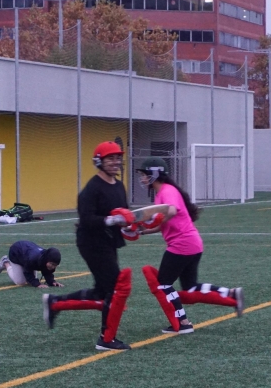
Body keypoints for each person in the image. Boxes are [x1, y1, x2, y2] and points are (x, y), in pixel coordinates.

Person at [134, 157, 244, 334]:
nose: (143, 178)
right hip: (193, 243)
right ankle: (230, 292)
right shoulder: (164, 192)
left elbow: (170, 211)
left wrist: (149, 219)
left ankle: (183, 322)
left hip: (182, 243)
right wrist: (142, 231)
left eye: (145, 174)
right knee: (191, 286)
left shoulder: (166, 191)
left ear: (155, 174)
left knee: (163, 284)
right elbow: (163, 223)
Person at [42, 141, 135, 351]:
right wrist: (110, 221)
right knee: (115, 287)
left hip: (109, 242)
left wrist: (131, 227)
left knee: (102, 292)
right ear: (98, 161)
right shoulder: (92, 189)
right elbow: (86, 219)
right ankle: (106, 339)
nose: (115, 162)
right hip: (92, 243)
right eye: (110, 158)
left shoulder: (119, 185)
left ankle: (55, 303)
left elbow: (124, 214)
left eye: (117, 158)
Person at [0, 241, 64, 288]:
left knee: (30, 281)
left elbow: (47, 271)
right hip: (16, 252)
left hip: (26, 254)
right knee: (20, 282)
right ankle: (5, 263)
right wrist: (36, 284)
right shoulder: (33, 258)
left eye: (55, 265)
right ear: (47, 259)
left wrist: (52, 282)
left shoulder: (45, 258)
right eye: (52, 264)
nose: (53, 267)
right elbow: (27, 271)